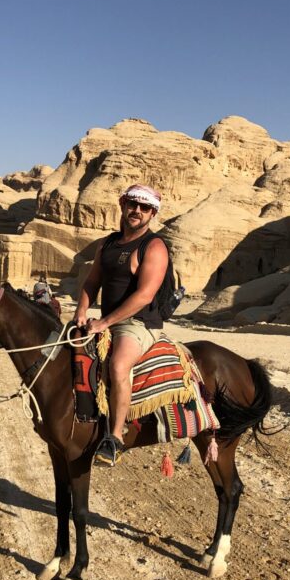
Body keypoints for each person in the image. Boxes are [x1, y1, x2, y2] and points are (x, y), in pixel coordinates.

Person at [73, 184, 168, 466]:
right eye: (132, 204)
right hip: (107, 321)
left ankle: (114, 438)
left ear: (153, 213)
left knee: (117, 366)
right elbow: (92, 281)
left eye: (144, 207)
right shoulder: (109, 244)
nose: (137, 211)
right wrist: (81, 311)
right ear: (123, 205)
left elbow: (145, 295)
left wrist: (104, 322)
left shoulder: (154, 246)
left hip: (138, 323)